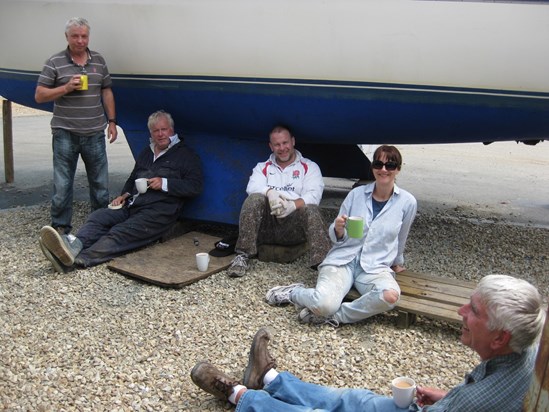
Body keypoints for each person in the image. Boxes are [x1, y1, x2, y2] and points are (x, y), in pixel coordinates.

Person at [191, 274, 546, 411]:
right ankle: (269, 379)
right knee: (355, 399)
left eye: (474, 310)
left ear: (499, 337)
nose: (460, 311)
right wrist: (447, 398)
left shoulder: (477, 402)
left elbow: (473, 404)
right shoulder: (527, 346)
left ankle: (239, 395)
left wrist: (452, 405)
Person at [266, 145, 417, 326]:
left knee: (390, 296)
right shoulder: (356, 195)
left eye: (390, 165)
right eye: (378, 164)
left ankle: (336, 317)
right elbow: (337, 236)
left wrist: (397, 262)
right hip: (343, 260)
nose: (383, 170)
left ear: (398, 169)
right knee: (324, 304)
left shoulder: (407, 202)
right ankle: (294, 293)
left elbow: (402, 236)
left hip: (375, 267)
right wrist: (338, 229)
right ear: (373, 167)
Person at [38, 110, 203, 272]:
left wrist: (165, 183)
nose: (160, 134)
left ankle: (79, 260)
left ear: (172, 130)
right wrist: (124, 195)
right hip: (133, 205)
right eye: (155, 131)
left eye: (164, 129)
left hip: (159, 212)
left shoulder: (186, 155)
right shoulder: (147, 152)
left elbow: (195, 187)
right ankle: (73, 247)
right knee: (98, 217)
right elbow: (132, 179)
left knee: (120, 232)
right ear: (151, 134)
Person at [35, 17, 118, 235]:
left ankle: (99, 226)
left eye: (84, 36)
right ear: (67, 37)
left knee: (100, 186)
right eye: (75, 36)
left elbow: (106, 90)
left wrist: (112, 121)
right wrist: (65, 88)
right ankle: (60, 228)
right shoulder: (54, 62)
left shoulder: (98, 60)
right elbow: (40, 95)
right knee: (62, 187)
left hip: (94, 133)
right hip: (65, 133)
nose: (80, 40)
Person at [228, 125, 330, 277]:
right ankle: (242, 255)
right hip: (268, 225)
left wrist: (293, 205)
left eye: (285, 142)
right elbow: (252, 186)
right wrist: (270, 192)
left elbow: (314, 195)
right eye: (277, 144)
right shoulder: (262, 167)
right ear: (271, 146)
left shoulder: (309, 167)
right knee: (253, 199)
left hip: (295, 227)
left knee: (312, 210)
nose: (282, 148)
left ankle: (324, 265)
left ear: (293, 141)